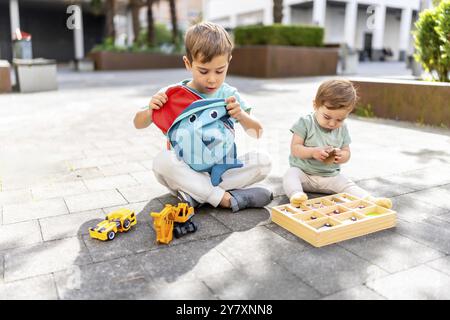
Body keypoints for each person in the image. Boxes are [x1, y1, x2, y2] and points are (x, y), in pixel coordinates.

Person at [133, 21, 272, 213]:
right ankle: (224, 198)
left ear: (229, 61)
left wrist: (241, 115)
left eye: (220, 71)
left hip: (221, 170)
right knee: (162, 161)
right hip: (184, 170)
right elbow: (138, 123)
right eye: (203, 71)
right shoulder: (173, 94)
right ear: (188, 63)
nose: (212, 79)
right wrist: (150, 110)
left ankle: (197, 195)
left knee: (263, 162)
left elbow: (257, 132)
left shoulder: (229, 93)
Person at [283, 79, 392, 209]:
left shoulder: (343, 128)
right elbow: (295, 149)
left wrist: (342, 155)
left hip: (330, 178)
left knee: (347, 184)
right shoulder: (305, 122)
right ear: (315, 106)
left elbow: (347, 152)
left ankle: (370, 200)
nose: (332, 123)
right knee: (290, 174)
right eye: (327, 117)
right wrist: (313, 152)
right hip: (304, 174)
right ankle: (297, 195)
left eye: (340, 119)